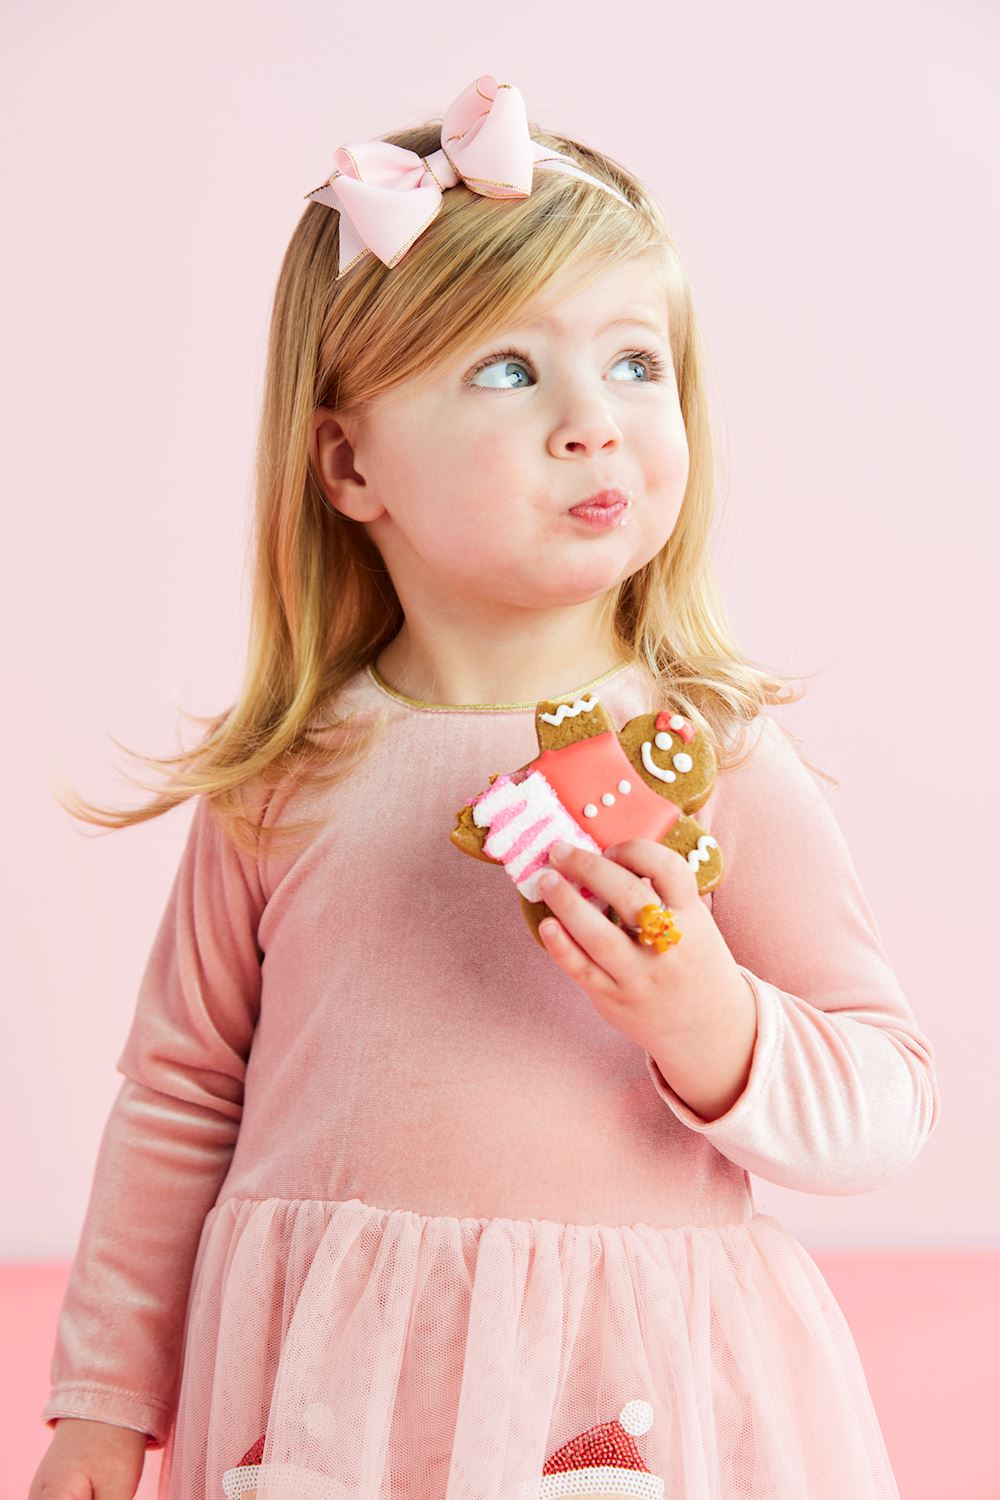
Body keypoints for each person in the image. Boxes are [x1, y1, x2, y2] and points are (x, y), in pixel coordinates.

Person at [30, 73, 940, 1500]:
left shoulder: (707, 758)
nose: (593, 422)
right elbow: (179, 1093)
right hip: (328, 1389)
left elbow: (889, 1096)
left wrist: (707, 1019)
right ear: (347, 461)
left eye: (637, 365)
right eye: (511, 372)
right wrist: (100, 1400)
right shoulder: (292, 776)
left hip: (620, 1395)